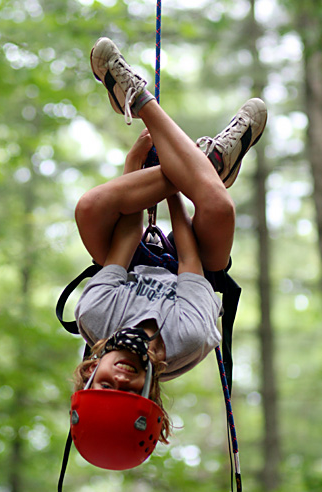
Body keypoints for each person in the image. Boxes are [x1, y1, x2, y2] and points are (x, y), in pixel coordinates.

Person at [72, 37, 267, 445]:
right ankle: (199, 158)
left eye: (108, 387)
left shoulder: (95, 316)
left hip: (131, 257)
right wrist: (183, 189)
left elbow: (124, 241)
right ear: (148, 393)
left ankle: (199, 158)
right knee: (217, 208)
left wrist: (133, 170)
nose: (122, 380)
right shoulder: (188, 339)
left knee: (90, 208)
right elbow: (191, 262)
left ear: (90, 374)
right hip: (193, 264)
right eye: (131, 392)